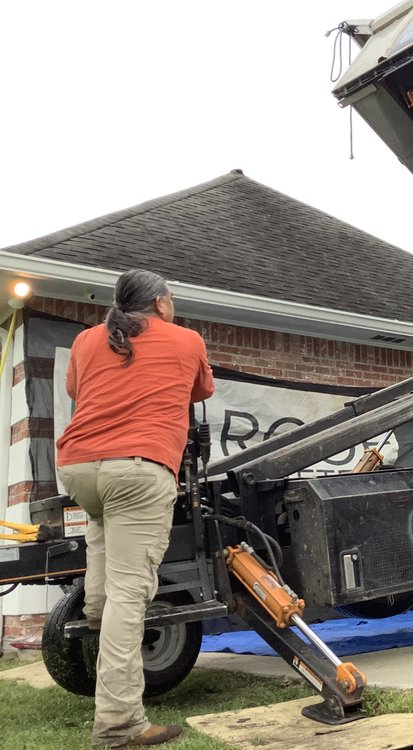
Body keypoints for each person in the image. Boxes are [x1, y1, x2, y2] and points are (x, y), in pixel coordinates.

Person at [56, 269, 214, 748]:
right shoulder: (186, 341)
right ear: (161, 303)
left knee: (104, 587)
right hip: (139, 470)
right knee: (131, 594)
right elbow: (202, 391)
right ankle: (119, 723)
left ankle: (104, 663)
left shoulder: (87, 339)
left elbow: (76, 392)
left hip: (79, 469)